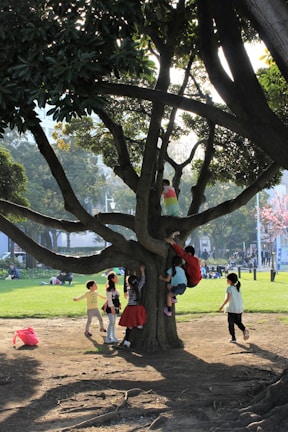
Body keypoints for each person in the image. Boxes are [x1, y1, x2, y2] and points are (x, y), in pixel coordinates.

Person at [119, 265, 147, 348]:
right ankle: (140, 324)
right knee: (141, 313)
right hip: (137, 308)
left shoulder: (129, 289)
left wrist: (133, 275)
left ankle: (127, 341)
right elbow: (143, 280)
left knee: (129, 326)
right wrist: (142, 271)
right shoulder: (138, 287)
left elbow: (131, 282)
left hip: (130, 308)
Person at [219, 273, 249, 343]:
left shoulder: (229, 288)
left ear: (230, 281)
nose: (226, 281)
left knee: (231, 323)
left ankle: (233, 337)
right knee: (238, 322)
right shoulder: (237, 288)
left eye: (227, 279)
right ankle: (244, 330)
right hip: (239, 308)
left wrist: (222, 306)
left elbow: (227, 299)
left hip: (232, 309)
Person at [103, 271, 121, 344]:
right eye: (116, 276)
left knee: (113, 322)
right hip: (111, 308)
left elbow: (116, 298)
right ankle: (108, 338)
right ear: (113, 279)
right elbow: (109, 300)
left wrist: (119, 303)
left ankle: (113, 337)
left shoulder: (115, 289)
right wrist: (112, 308)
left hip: (115, 307)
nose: (117, 278)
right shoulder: (109, 289)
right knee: (111, 322)